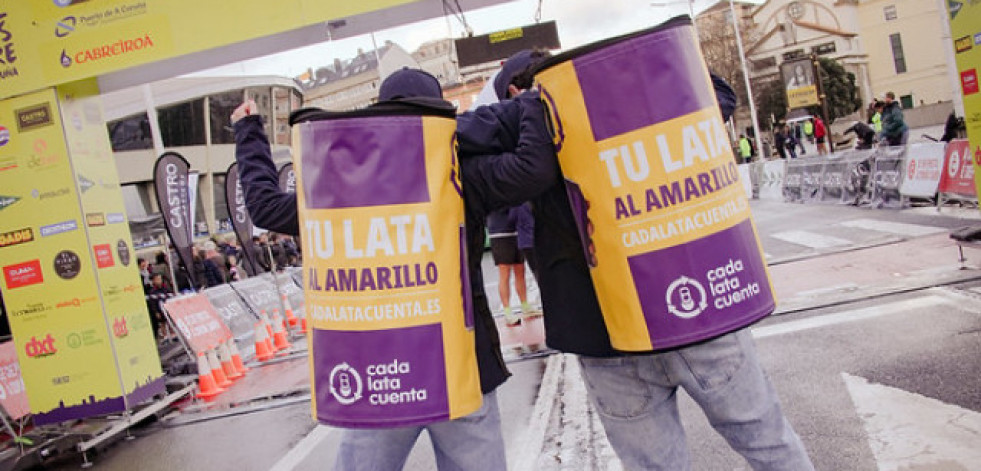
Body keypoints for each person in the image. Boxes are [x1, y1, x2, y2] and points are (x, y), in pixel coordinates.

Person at [466, 50, 815, 471]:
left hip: (603, 334)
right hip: (695, 310)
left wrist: (534, 104)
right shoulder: (637, 95)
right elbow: (718, 92)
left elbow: (449, 134)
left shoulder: (518, 119)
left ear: (517, 92)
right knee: (768, 442)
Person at [233, 67, 555, 471]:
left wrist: (248, 131)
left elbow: (264, 206)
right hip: (460, 363)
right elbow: (532, 170)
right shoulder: (458, 175)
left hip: (376, 373)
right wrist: (531, 101)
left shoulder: (339, 187)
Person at [487, 207, 532, 326]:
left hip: (516, 230)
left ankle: (525, 307)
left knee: (520, 269)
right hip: (499, 232)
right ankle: (507, 312)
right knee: (505, 272)